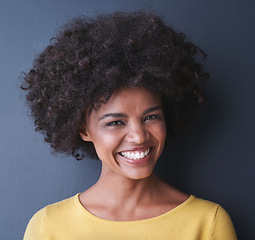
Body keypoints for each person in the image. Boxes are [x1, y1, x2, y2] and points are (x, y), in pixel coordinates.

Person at [22, 10, 237, 239]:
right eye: (115, 122)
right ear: (83, 129)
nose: (139, 136)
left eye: (151, 117)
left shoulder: (207, 223)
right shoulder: (49, 227)